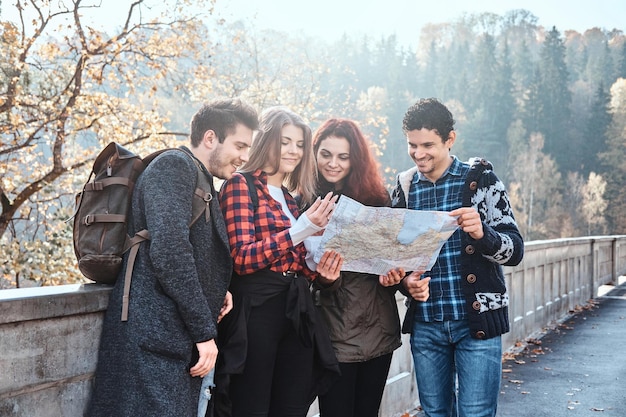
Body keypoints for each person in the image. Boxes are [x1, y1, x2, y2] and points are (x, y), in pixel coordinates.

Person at [87, 98, 259, 417]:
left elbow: (189, 250)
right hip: (152, 337)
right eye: (239, 145)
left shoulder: (199, 176)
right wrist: (204, 333)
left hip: (166, 338)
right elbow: (170, 253)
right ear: (210, 138)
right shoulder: (174, 166)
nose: (245, 157)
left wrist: (217, 290)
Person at [390, 98, 524, 417]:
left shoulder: (481, 181)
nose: (419, 153)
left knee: (476, 414)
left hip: (475, 323)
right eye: (412, 145)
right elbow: (394, 258)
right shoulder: (404, 188)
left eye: (428, 145)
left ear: (450, 139)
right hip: (427, 324)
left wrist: (482, 234)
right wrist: (408, 284)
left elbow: (515, 250)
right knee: (435, 414)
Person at [215, 106, 343, 417]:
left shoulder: (291, 199)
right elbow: (241, 258)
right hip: (256, 309)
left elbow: (297, 263)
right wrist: (301, 230)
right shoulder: (240, 185)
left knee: (292, 406)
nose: (294, 151)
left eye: (300, 144)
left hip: (296, 309)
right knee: (251, 405)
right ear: (267, 140)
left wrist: (323, 273)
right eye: (285, 141)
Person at [309, 118, 429, 417]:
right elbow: (296, 276)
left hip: (377, 330)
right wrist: (325, 281)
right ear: (314, 154)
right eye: (326, 154)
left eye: (343, 156)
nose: (333, 164)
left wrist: (396, 279)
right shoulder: (303, 200)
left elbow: (395, 260)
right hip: (333, 333)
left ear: (356, 159)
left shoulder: (377, 199)